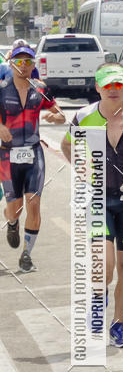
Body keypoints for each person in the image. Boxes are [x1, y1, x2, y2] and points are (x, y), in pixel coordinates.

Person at [61, 64, 123, 348]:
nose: (114, 90)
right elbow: (66, 145)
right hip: (98, 199)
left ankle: (118, 325)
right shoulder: (84, 117)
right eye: (108, 86)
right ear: (97, 88)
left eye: (119, 85)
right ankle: (97, 294)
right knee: (104, 267)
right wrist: (79, 165)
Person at [0, 41, 65, 272]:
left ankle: (27, 254)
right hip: (8, 155)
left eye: (28, 61)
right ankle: (12, 222)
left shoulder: (40, 89)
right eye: (19, 61)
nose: (24, 65)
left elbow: (59, 114)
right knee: (14, 207)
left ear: (33, 64)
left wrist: (55, 117)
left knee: (34, 204)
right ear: (12, 63)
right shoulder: (1, 88)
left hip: (34, 153)